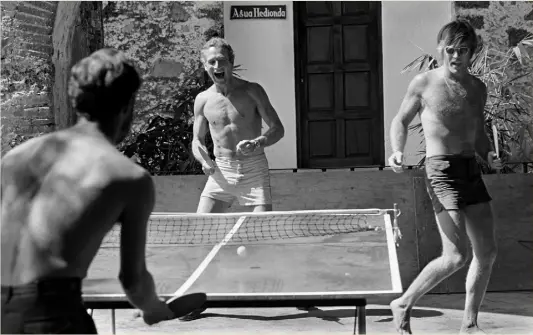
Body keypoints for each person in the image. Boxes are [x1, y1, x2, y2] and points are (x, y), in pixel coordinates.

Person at [1, 48, 174, 334]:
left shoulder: (16, 156)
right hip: (53, 317)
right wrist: (153, 308)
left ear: (75, 100)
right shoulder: (128, 177)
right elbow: (133, 281)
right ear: (127, 106)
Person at [388, 20, 502, 334]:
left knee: (487, 251)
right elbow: (400, 120)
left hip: (470, 169)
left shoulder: (478, 88)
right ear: (441, 49)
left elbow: (477, 132)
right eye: (449, 50)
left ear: (471, 53)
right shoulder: (424, 83)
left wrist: (488, 153)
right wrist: (397, 150)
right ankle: (404, 302)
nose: (454, 56)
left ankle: (469, 323)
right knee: (456, 256)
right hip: (440, 171)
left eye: (461, 51)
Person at [192, 37, 285, 213]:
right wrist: (204, 161)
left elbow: (278, 129)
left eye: (222, 60)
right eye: (212, 62)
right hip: (221, 172)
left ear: (231, 63)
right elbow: (197, 139)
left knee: (261, 231)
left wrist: (257, 142)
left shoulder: (252, 91)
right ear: (205, 66)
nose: (217, 66)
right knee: (201, 227)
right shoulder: (202, 100)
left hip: (254, 170)